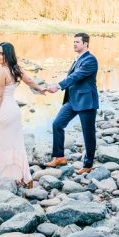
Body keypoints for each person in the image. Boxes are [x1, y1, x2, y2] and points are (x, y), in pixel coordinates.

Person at [0, 42, 45, 188]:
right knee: (13, 143)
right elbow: (29, 81)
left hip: (4, 111)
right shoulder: (16, 69)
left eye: (1, 53)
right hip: (14, 111)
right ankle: (15, 176)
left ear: (8, 54)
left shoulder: (1, 72)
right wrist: (41, 89)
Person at [45, 32, 99, 174]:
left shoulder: (90, 60)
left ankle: (88, 164)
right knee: (57, 124)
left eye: (77, 42)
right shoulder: (78, 59)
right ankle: (59, 157)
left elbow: (76, 76)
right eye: (73, 42)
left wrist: (58, 85)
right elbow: (73, 77)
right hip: (72, 100)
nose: (74, 44)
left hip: (87, 102)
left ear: (85, 44)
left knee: (88, 134)